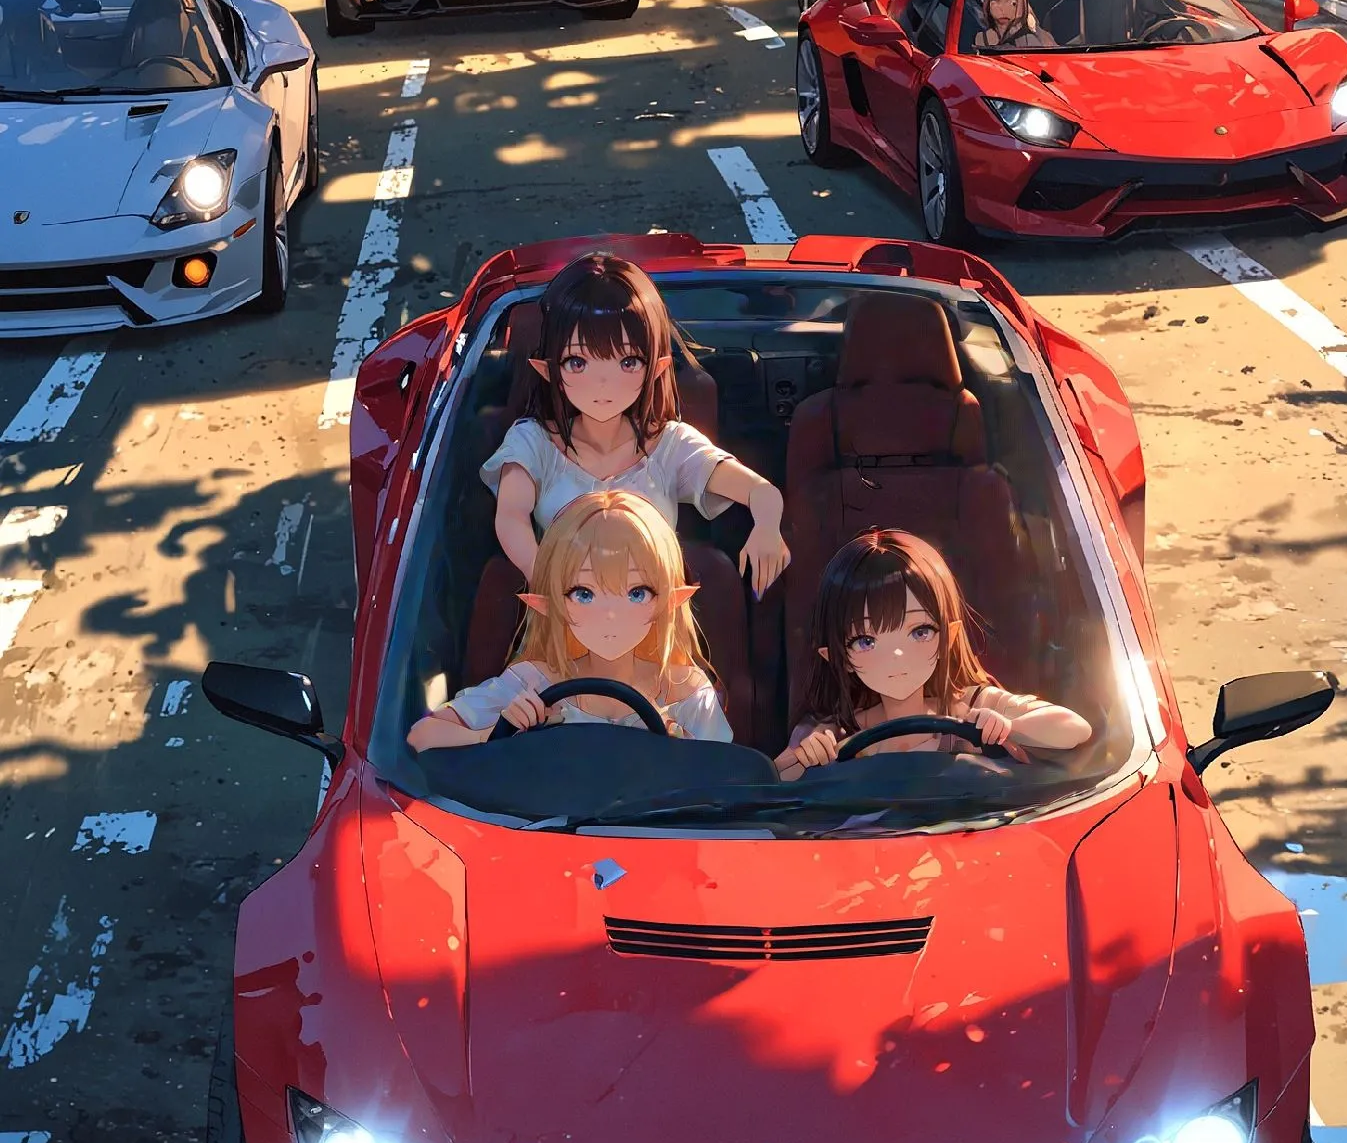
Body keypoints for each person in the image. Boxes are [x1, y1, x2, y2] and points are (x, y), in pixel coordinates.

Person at [482, 250, 790, 598]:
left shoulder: (671, 444)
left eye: (628, 362)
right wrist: (550, 586)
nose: (603, 384)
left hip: (653, 618)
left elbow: (760, 491)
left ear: (655, 369)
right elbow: (511, 517)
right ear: (548, 370)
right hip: (560, 614)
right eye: (577, 362)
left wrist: (767, 527)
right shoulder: (532, 442)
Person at [408, 489, 732, 750]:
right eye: (583, 594)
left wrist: (683, 754)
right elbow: (421, 736)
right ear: (550, 604)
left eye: (637, 593)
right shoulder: (532, 682)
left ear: (669, 601)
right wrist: (496, 734)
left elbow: (725, 780)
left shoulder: (687, 692)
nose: (610, 615)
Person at [775, 528, 1091, 780]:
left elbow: (1075, 728)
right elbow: (769, 784)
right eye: (866, 641)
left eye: (920, 632)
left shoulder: (974, 705)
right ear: (837, 657)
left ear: (948, 638)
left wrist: (1008, 728)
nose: (897, 654)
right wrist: (807, 755)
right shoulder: (834, 728)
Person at [973, 0, 1054, 51]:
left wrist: (1032, 24)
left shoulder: (1029, 39)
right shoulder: (982, 38)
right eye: (997, 1)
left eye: (1013, 3)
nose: (1004, 10)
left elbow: (1050, 49)